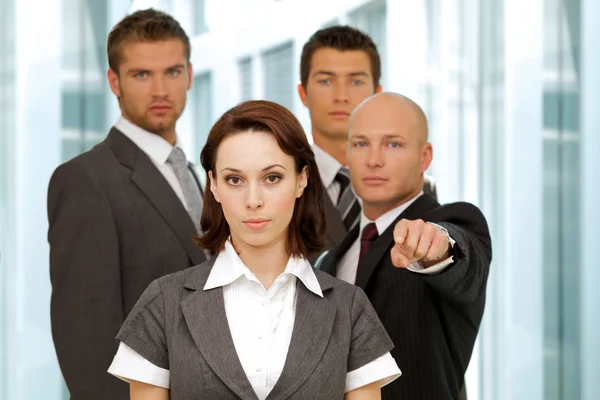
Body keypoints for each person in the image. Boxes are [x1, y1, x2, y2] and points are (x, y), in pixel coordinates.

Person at [107, 100, 402, 399]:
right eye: (234, 180)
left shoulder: (350, 309)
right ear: (214, 185)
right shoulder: (163, 304)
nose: (253, 200)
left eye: (271, 178)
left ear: (302, 179)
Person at [47, 9, 206, 399]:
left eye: (171, 72)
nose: (160, 90)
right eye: (141, 75)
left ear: (189, 74)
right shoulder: (86, 179)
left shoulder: (195, 174)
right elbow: (84, 341)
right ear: (113, 81)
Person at [318, 92, 492, 400]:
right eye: (360, 144)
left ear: (425, 156)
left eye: (393, 144)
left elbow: (459, 257)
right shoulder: (331, 260)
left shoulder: (453, 221)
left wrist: (436, 247)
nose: (374, 159)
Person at [297, 26, 437, 262]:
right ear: (303, 93)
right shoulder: (274, 182)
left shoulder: (418, 185)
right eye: (325, 80)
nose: (341, 96)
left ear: (377, 93)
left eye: (355, 81)